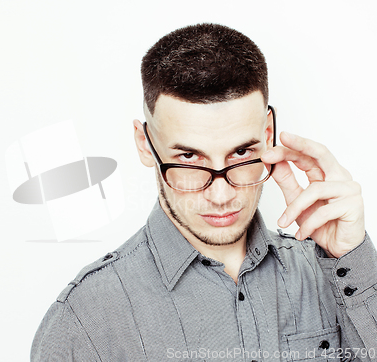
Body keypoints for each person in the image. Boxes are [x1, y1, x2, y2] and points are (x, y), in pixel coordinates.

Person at [31, 23, 377, 361]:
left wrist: (353, 256)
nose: (221, 195)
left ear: (268, 133)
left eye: (241, 152)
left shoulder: (336, 275)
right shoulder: (84, 321)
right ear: (145, 144)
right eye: (188, 157)